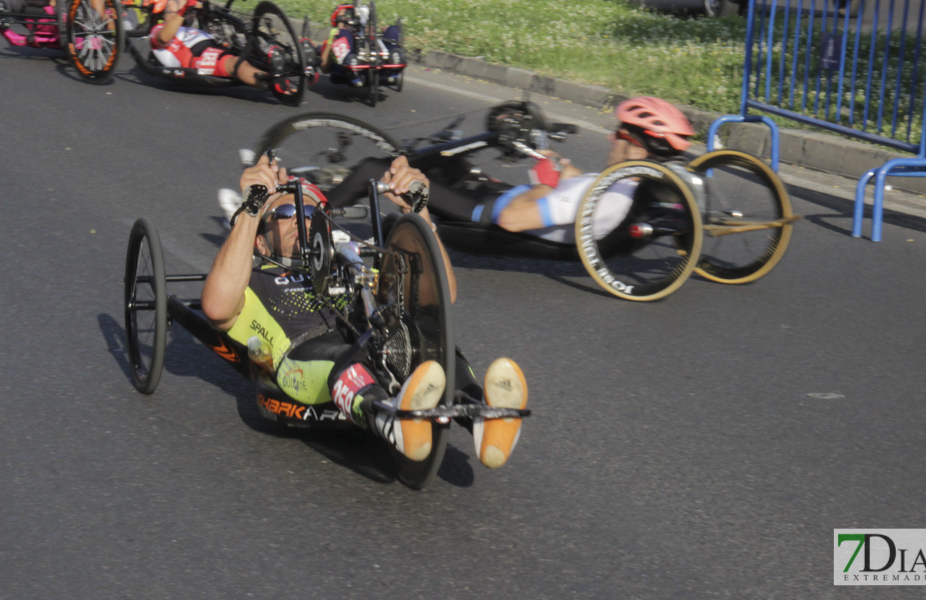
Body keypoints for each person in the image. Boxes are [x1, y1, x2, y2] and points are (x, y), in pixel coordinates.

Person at [203, 154, 529, 469]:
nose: (303, 220)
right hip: (305, 361)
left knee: (433, 340)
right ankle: (392, 419)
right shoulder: (255, 276)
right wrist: (253, 207)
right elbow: (217, 308)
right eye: (287, 211)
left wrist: (419, 212)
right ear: (260, 243)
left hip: (376, 347)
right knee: (345, 356)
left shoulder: (355, 265)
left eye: (313, 213)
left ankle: (484, 416)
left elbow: (442, 296)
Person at [323, 97, 695, 244]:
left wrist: (544, 185)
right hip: (495, 193)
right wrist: (558, 165)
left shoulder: (607, 200)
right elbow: (578, 186)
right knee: (441, 153)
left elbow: (516, 220)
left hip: (484, 209)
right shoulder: (624, 188)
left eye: (619, 134)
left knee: (377, 167)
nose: (612, 140)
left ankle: (312, 214)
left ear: (637, 146)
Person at [147, 0, 297, 97]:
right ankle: (274, 82)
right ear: (163, 13)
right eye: (174, 6)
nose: (178, 5)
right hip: (196, 56)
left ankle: (293, 62)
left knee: (250, 49)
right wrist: (183, 11)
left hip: (214, 45)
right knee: (235, 63)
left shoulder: (190, 27)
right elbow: (163, 39)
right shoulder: (158, 29)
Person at [315, 3, 402, 88]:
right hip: (347, 67)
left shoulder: (364, 29)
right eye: (343, 16)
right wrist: (332, 41)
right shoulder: (335, 36)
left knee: (392, 29)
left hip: (376, 60)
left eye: (350, 15)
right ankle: (352, 63)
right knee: (343, 32)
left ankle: (393, 65)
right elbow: (324, 69)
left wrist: (374, 33)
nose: (348, 19)